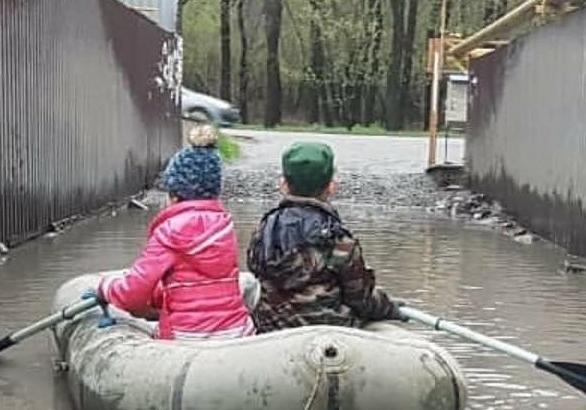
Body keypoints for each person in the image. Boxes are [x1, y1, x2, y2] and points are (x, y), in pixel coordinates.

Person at [89, 125, 254, 340]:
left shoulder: (169, 233)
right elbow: (198, 287)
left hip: (187, 338)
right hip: (237, 333)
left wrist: (106, 288)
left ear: (174, 195)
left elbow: (132, 294)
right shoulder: (226, 227)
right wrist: (159, 297)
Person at [247, 142, 398, 331]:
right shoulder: (339, 240)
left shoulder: (263, 231)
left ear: (283, 185)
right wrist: (390, 308)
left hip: (272, 329)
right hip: (329, 333)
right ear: (331, 187)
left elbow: (256, 273)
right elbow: (360, 300)